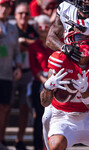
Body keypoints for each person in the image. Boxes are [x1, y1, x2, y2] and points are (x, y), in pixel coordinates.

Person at [43, 1, 89, 149]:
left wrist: (87, 30)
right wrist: (63, 47)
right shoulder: (66, 8)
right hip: (69, 64)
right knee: (47, 115)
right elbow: (50, 38)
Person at [11, 2, 38, 150]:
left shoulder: (32, 29)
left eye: (26, 13)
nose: (23, 16)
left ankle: (19, 140)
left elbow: (38, 43)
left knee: (25, 108)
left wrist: (25, 42)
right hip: (11, 71)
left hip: (28, 74)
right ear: (15, 15)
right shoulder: (11, 28)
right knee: (5, 107)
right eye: (20, 13)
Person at [29, 14, 53, 150]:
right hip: (39, 83)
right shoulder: (33, 47)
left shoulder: (55, 45)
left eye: (46, 26)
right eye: (40, 27)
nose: (43, 29)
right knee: (39, 117)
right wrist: (45, 80)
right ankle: (38, 146)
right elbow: (34, 67)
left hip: (54, 83)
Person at [0, 0, 22, 149]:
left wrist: (18, 67)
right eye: (1, 5)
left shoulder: (13, 27)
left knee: (6, 108)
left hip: (7, 74)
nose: (4, 9)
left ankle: (1, 140)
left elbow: (17, 52)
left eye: (7, 6)